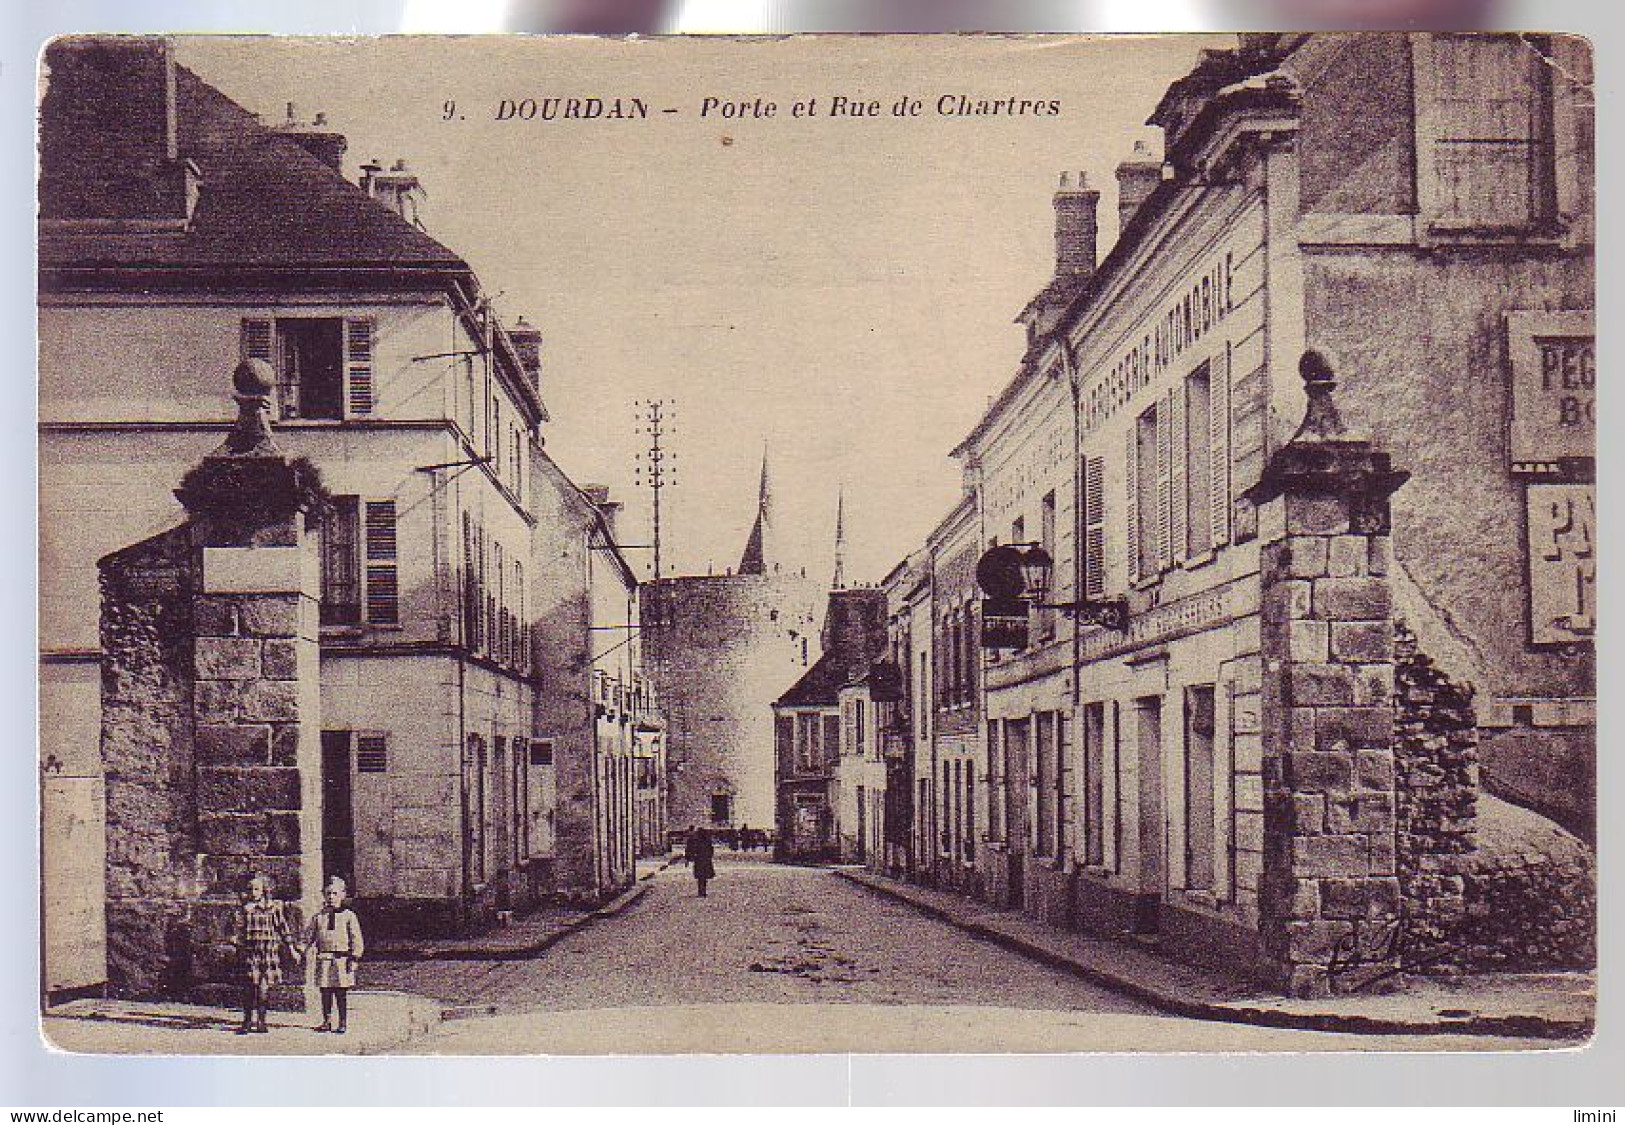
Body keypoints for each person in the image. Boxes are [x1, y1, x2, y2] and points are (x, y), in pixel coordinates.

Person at [236, 872, 298, 1035]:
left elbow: (283, 928)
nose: (253, 893)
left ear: (263, 890)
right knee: (249, 988)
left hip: (268, 953)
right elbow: (238, 931)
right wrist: (238, 945)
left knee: (263, 990)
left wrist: (291, 948)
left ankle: (262, 1021)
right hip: (251, 952)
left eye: (256, 889)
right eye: (250, 889)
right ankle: (247, 1021)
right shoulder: (245, 909)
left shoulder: (273, 908)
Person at [304, 876, 365, 1034]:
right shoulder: (319, 917)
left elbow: (356, 939)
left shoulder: (349, 916)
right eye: (328, 893)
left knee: (340, 992)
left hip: (341, 960)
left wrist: (354, 958)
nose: (331, 897)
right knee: (325, 991)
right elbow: (308, 937)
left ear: (343, 895)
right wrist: (300, 950)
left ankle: (343, 1022)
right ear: (324, 895)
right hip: (324, 959)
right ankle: (327, 1020)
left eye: (335, 893)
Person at [685, 825, 715, 897]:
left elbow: (691, 850)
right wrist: (709, 857)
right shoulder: (707, 840)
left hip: (698, 861)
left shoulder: (695, 841)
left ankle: (701, 891)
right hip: (706, 861)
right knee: (704, 877)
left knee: (700, 877)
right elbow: (711, 850)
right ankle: (703, 891)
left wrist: (689, 858)